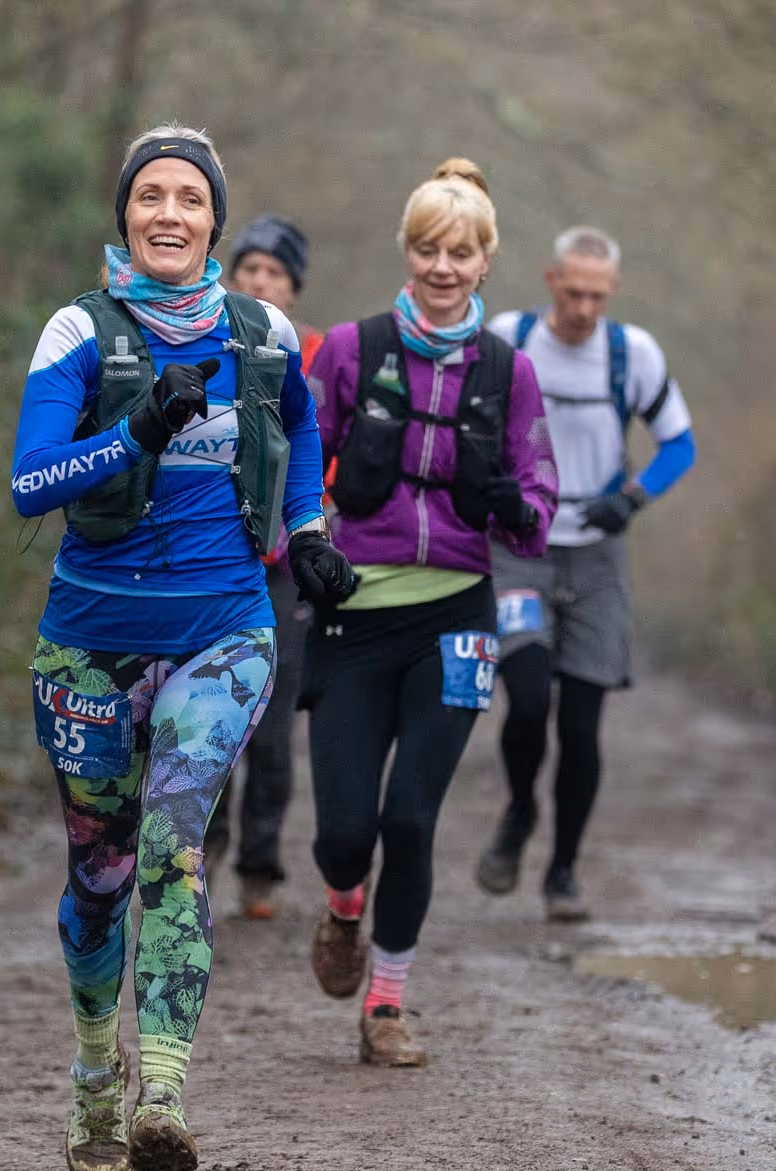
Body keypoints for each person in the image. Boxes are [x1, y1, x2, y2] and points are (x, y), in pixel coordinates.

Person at [10, 125, 356, 1171]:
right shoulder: (80, 329)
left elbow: (295, 442)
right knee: (100, 876)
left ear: (214, 219)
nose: (169, 213)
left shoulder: (260, 333)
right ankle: (94, 1087)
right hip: (91, 645)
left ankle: (162, 1091)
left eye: (189, 199)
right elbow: (30, 484)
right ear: (124, 214)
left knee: (169, 838)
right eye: (149, 195)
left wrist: (306, 535)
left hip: (224, 630)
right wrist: (136, 434)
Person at [301, 159, 557, 1066]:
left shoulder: (509, 372)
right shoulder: (350, 350)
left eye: (461, 252)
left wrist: (513, 503)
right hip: (354, 614)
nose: (442, 267)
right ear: (405, 252)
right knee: (342, 834)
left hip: (456, 617)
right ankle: (341, 908)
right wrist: (308, 538)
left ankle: (387, 1006)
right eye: (427, 250)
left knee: (410, 817)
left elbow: (537, 510)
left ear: (487, 261)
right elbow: (304, 459)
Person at [476, 225, 697, 921]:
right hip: (520, 544)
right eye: (572, 292)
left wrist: (631, 498)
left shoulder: (633, 355)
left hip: (597, 551)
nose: (582, 308)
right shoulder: (509, 337)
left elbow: (679, 444)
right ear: (550, 280)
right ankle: (518, 810)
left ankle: (563, 869)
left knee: (582, 722)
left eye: (596, 296)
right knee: (529, 695)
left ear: (613, 292)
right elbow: (467, 421)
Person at [203, 212, 324, 920]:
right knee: (213, 715)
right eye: (247, 268)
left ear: (293, 287)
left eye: (273, 273)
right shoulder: (206, 343)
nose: (257, 280)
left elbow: (326, 444)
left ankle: (261, 864)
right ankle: (207, 846)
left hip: (283, 563)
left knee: (275, 725)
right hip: (217, 558)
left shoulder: (312, 353)